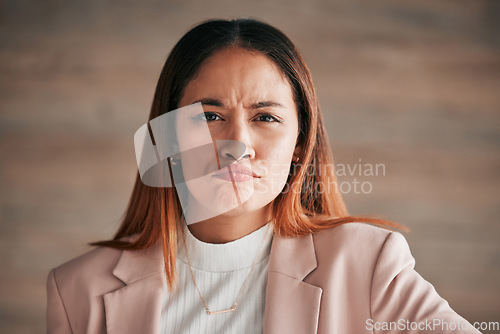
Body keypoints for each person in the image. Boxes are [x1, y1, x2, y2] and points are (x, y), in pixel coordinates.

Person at [46, 18, 481, 334]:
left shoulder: (369, 265)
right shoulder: (77, 292)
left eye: (265, 118)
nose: (236, 143)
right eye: (209, 115)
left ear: (299, 145)